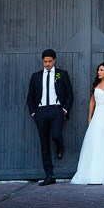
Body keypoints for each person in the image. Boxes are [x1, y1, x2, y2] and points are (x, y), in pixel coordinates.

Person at [25, 49, 74, 186]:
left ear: (54, 60)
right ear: (43, 61)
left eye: (50, 61)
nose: (47, 64)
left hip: (56, 110)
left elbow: (69, 93)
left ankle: (60, 146)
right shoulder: (36, 76)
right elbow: (30, 96)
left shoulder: (62, 74)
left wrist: (64, 109)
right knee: (44, 145)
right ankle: (49, 175)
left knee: (56, 135)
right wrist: (34, 113)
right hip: (40, 112)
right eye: (45, 61)